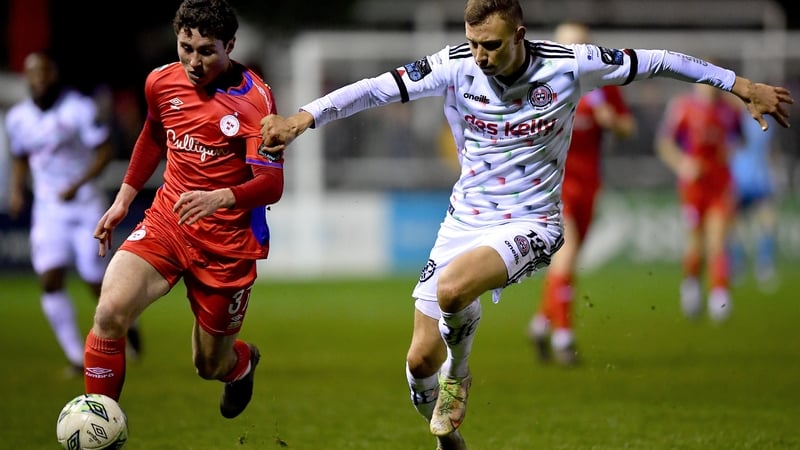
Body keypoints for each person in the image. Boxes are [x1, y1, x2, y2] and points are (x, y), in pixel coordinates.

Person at [259, 0, 792, 447]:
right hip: (463, 219)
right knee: (420, 357)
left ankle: (460, 376)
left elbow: (658, 61)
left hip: (532, 222)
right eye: (474, 43)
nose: (481, 56)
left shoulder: (571, 64)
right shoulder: (455, 64)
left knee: (452, 290)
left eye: (492, 44)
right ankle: (440, 411)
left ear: (519, 33)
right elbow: (375, 88)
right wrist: (303, 118)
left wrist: (738, 84)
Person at [84, 0, 283, 420]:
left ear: (230, 45)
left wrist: (221, 196)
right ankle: (99, 427)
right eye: (185, 47)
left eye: (206, 50)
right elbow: (154, 135)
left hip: (227, 244)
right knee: (109, 313)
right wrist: (123, 199)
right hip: (167, 222)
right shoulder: (160, 82)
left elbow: (271, 183)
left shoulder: (256, 101)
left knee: (208, 365)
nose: (193, 61)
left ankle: (241, 364)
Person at [4, 50, 142, 377]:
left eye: (44, 73)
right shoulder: (18, 117)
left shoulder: (79, 109)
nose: (38, 80)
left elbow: (106, 151)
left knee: (96, 282)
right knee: (49, 279)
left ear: (55, 75)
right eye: (32, 74)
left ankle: (130, 322)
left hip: (85, 206)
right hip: (48, 209)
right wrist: (16, 189)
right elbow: (21, 155)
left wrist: (77, 183)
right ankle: (76, 357)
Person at [528, 21, 636, 366]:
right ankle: (564, 336)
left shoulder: (602, 86)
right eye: (566, 45)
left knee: (568, 260)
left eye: (580, 45)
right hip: (553, 184)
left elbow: (628, 127)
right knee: (568, 251)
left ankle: (540, 324)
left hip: (590, 185)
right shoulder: (542, 85)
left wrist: (612, 122)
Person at [655, 81, 745, 322]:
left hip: (720, 184)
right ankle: (691, 284)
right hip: (693, 187)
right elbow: (665, 144)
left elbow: (740, 140)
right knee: (696, 242)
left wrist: (731, 150)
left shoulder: (729, 110)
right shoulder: (683, 108)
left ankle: (719, 293)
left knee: (718, 240)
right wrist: (682, 164)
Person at [728, 110, 782, 291]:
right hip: (740, 177)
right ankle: (740, 263)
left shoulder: (767, 120)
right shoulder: (737, 118)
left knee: (767, 221)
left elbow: (771, 150)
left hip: (758, 177)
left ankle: (763, 264)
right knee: (734, 223)